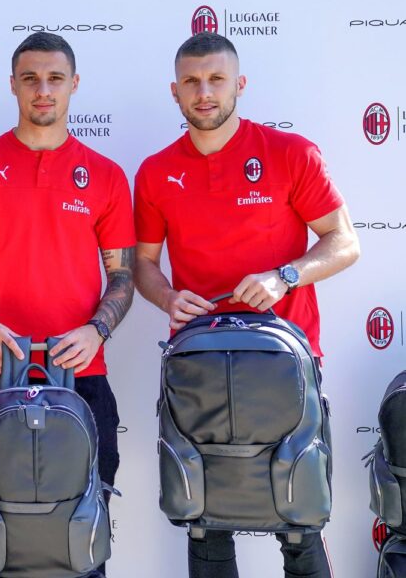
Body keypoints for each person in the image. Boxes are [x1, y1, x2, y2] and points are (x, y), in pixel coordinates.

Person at [133, 32, 360, 578]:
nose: (204, 92)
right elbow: (143, 264)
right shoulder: (156, 171)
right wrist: (167, 296)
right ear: (175, 91)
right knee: (206, 524)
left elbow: (344, 242)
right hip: (200, 369)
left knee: (299, 523)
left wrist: (286, 277)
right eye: (191, 82)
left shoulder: (291, 154)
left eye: (216, 79)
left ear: (240, 83)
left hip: (285, 366)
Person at [0, 32, 135, 578]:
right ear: (13, 85)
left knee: (80, 547)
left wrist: (96, 330)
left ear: (74, 84)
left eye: (55, 78)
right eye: (30, 79)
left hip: (81, 380)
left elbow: (122, 276)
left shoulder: (106, 175)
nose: (43, 90)